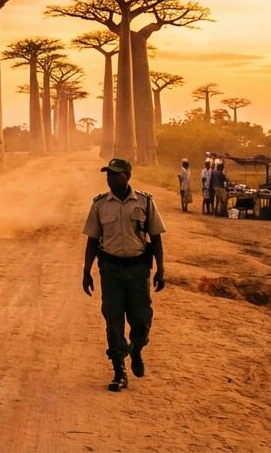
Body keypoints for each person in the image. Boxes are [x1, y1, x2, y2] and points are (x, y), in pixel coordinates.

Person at [82, 158, 165, 392]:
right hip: (111, 270)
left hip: (138, 270)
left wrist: (161, 269)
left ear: (127, 176)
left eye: (115, 174)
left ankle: (136, 349)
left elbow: (156, 237)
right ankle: (119, 370)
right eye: (108, 175)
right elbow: (92, 239)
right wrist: (86, 271)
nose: (110, 179)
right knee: (113, 320)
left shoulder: (145, 202)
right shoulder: (100, 205)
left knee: (141, 320)